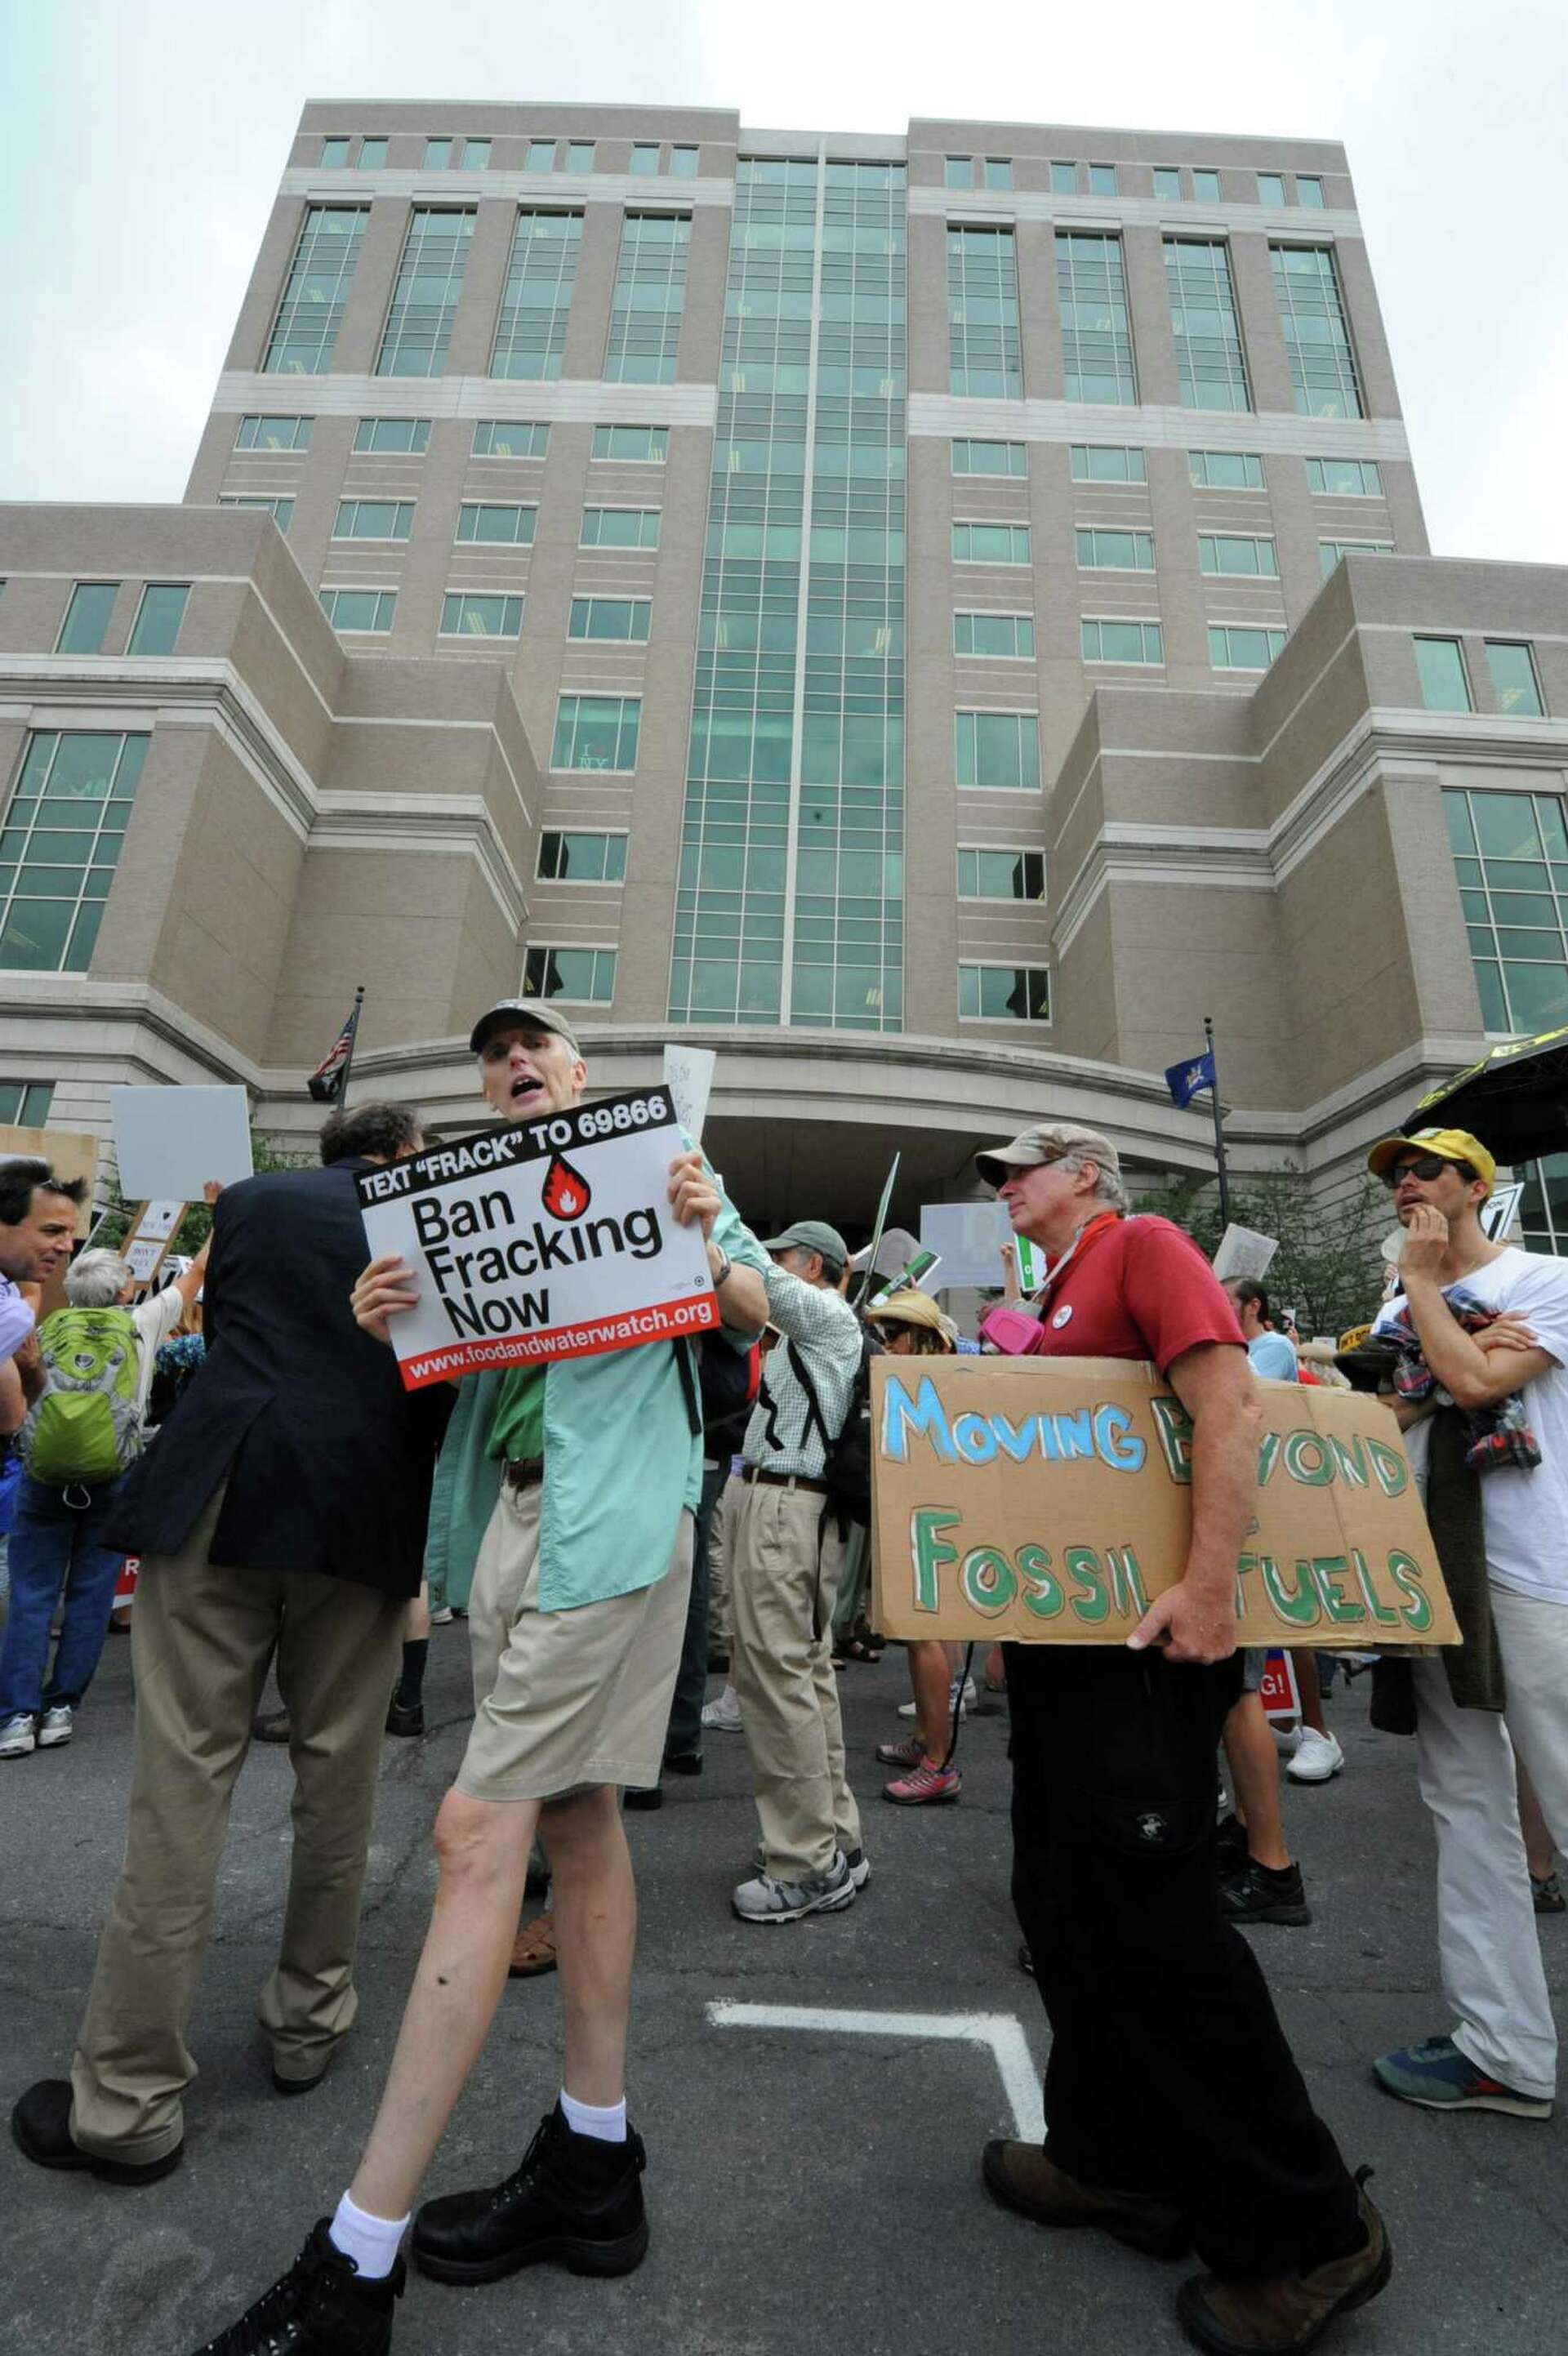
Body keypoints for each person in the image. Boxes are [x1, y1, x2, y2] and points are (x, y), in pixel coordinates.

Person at [175, 998, 769, 2354]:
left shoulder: (665, 1161)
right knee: (578, 1818)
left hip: (610, 1517)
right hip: (505, 1524)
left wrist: (699, 1229)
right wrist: (387, 1315)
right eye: (496, 1054)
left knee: (472, 1833)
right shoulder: (458, 1197)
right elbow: (451, 1366)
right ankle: (595, 2166)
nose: (513, 1063)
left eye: (537, 1048)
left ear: (579, 1074)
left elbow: (756, 1309)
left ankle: (355, 2265)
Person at [973, 1122, 1387, 2356]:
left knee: (1163, 1932)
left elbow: (1229, 1404)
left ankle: (1312, 2235)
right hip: (1064, 1655)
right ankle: (1118, 2161)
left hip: (1148, 1649)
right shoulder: (1046, 1291)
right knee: (1062, 1899)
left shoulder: (1145, 1244)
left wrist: (1209, 1591)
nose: (1003, 1187)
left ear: (1084, 1174)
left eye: (1019, 1168)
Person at [11, 1099, 448, 2184]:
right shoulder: (439, 1215)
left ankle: (124, 2097)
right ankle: (309, 2022)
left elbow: (225, 1319)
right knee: (338, 1778)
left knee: (180, 1791)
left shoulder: (253, 1201)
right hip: (360, 1507)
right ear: (407, 1157)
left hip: (218, 1483)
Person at [1364, 1125, 1568, 2119]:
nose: (1409, 1183)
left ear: (1478, 1187)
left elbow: (1479, 1383)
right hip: (1434, 1576)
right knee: (1466, 1807)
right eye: (1397, 1175)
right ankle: (1504, 2048)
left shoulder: (1548, 1278)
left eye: (1428, 1169)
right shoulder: (1401, 1301)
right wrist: (1437, 1338)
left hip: (1536, 1577)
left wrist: (1436, 1314)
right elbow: (1393, 1407)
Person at [0, 1225, 212, 1758]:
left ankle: (17, 1715)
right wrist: (219, 1210)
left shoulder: (44, 1327)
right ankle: (62, 1708)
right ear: (124, 1291)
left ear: (70, 1292)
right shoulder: (140, 1323)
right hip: (111, 1476)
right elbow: (196, 1275)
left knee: (31, 1594)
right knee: (93, 1593)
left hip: (43, 1476)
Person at [728, 1218, 870, 1923]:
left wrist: (712, 1211)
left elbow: (762, 1280)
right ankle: (833, 1835)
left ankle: (805, 1860)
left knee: (776, 1677)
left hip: (787, 1504)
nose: (775, 1267)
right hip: (787, 1505)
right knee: (803, 1675)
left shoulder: (826, 1313)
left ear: (813, 1264)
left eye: (785, 1256)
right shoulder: (813, 1329)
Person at [865, 1289, 966, 1806]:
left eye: (894, 1334)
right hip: (914, 1515)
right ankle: (927, 1740)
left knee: (927, 1634)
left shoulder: (938, 1382)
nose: (886, 1343)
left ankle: (939, 1763)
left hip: (932, 1521)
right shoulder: (908, 1379)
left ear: (921, 1338)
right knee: (915, 1633)